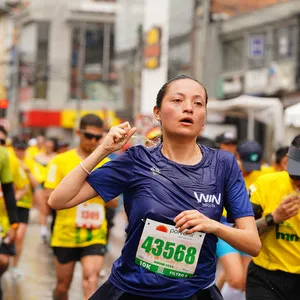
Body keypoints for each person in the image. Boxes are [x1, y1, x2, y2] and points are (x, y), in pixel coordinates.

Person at [48, 75, 261, 300]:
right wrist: (102, 150)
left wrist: (213, 226)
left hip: (195, 293)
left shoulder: (224, 164)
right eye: (178, 100)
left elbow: (252, 244)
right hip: (132, 290)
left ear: (204, 118)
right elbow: (59, 200)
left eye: (198, 103)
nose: (188, 108)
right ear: (157, 112)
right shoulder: (136, 160)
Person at [44, 114, 118, 300]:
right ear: (78, 133)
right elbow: (48, 196)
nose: (92, 141)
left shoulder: (107, 164)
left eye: (97, 137)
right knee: (62, 286)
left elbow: (115, 203)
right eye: (88, 136)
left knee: (91, 280)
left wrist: (97, 189)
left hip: (95, 233)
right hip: (65, 233)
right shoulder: (59, 161)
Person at [216, 140, 272, 299]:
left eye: (254, 164)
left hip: (249, 229)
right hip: (226, 226)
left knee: (242, 280)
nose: (249, 170)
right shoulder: (226, 170)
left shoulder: (265, 174)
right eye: (246, 163)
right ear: (237, 156)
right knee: (236, 279)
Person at [246, 134, 300, 300]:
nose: (297, 185)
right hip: (265, 277)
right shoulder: (266, 183)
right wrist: (273, 218)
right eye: (294, 178)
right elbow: (241, 231)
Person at [0, 146, 19, 300]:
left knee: (3, 260)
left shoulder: (3, 154)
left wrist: (14, 224)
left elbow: (8, 191)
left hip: (3, 220)